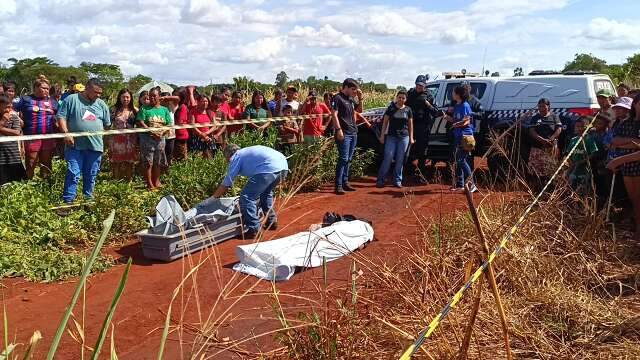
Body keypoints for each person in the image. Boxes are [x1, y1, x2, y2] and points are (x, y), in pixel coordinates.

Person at [211, 144, 289, 239]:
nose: (227, 161)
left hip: (268, 169)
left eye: (226, 158)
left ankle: (254, 229)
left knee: (247, 197)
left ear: (229, 155)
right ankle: (272, 221)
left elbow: (227, 182)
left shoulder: (236, 157)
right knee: (266, 193)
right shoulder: (245, 153)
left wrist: (213, 198)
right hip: (283, 167)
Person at [57, 78, 111, 204]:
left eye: (100, 93)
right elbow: (61, 117)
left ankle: (88, 201)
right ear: (87, 88)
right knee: (73, 173)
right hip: (75, 145)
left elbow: (107, 125)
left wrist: (105, 142)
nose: (98, 95)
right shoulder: (71, 99)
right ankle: (68, 202)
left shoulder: (101, 104)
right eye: (96, 92)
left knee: (91, 174)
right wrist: (66, 133)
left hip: (95, 146)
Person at [606, 94, 640, 240]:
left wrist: (618, 159)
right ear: (635, 104)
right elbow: (615, 141)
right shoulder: (627, 123)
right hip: (627, 165)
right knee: (634, 200)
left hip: (634, 164)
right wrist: (633, 142)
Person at [14, 75, 58, 179]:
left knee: (46, 163)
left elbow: (61, 115)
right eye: (43, 88)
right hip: (31, 137)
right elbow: (11, 109)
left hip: (48, 137)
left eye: (47, 89)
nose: (46, 90)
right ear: (36, 88)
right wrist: (18, 119)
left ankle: (46, 187)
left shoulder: (53, 101)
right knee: (31, 162)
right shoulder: (26, 99)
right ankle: (27, 186)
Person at [376, 90, 414, 188]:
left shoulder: (408, 110)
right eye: (399, 97)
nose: (401, 99)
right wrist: (382, 136)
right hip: (391, 137)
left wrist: (411, 137)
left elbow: (410, 124)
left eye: (403, 98)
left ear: (406, 99)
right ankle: (381, 179)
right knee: (388, 157)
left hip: (404, 137)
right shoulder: (391, 108)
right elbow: (385, 122)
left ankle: (397, 180)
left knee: (400, 159)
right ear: (396, 97)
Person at [406, 75, 441, 182]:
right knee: (408, 149)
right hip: (410, 124)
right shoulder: (410, 93)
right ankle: (408, 171)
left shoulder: (429, 95)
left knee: (422, 151)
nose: (419, 87)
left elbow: (436, 111)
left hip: (423, 126)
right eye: (417, 85)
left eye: (421, 85)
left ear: (425, 86)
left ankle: (421, 174)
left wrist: (427, 104)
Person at [136, 87, 171, 190]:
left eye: (154, 96)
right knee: (148, 162)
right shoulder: (144, 108)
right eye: (150, 96)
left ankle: (157, 181)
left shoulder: (164, 110)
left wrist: (162, 133)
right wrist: (151, 131)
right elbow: (140, 121)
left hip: (160, 140)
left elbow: (169, 124)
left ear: (159, 97)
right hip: (147, 140)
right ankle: (149, 184)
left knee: (158, 162)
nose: (151, 98)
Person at [446, 86, 478, 193]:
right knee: (458, 161)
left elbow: (466, 121)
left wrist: (456, 124)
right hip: (457, 136)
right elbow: (456, 119)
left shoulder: (465, 105)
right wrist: (448, 118)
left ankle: (471, 184)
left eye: (454, 92)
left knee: (461, 160)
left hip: (465, 136)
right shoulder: (457, 105)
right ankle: (460, 185)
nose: (452, 94)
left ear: (458, 94)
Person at [331, 78, 360, 195]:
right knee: (343, 158)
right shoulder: (337, 98)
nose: (354, 92)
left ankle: (345, 182)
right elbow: (334, 114)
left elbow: (359, 110)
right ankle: (338, 185)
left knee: (348, 159)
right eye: (353, 89)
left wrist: (360, 98)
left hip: (353, 132)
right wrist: (338, 130)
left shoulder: (350, 99)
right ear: (346, 87)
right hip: (344, 133)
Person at [526, 98, 563, 185]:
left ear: (548, 106)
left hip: (551, 147)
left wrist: (551, 138)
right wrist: (541, 140)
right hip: (538, 147)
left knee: (550, 168)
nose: (542, 108)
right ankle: (537, 186)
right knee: (536, 170)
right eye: (540, 106)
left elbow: (559, 129)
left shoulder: (554, 117)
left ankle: (550, 187)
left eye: (544, 106)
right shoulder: (535, 118)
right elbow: (532, 131)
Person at [109, 89, 138, 180]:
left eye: (127, 97)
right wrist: (108, 140)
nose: (125, 99)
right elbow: (108, 124)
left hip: (130, 141)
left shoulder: (135, 110)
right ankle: (117, 181)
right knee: (116, 162)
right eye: (123, 97)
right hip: (117, 140)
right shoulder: (114, 110)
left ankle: (129, 181)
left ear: (131, 98)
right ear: (119, 98)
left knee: (130, 162)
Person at [564, 117, 598, 194]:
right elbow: (568, 154)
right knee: (571, 189)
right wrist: (571, 164)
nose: (579, 128)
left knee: (583, 189)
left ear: (587, 127)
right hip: (573, 169)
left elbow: (593, 153)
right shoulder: (573, 140)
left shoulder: (589, 139)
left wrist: (583, 161)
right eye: (577, 126)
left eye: (581, 126)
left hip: (585, 170)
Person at [0, 95, 26, 185]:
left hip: (12, 153)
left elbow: (17, 133)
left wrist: (1, 128)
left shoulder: (13, 117)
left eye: (10, 107)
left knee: (16, 180)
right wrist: (3, 121)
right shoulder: (4, 118)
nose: (9, 109)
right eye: (6, 107)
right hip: (1, 155)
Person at [188, 93, 216, 159]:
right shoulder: (193, 112)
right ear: (198, 102)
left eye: (206, 101)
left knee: (209, 158)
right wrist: (201, 134)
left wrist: (206, 134)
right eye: (203, 101)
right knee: (198, 158)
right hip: (197, 138)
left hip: (209, 138)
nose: (205, 103)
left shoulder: (211, 112)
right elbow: (193, 126)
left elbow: (214, 126)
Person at [161, 91, 179, 167]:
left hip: (171, 136)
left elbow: (177, 98)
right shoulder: (159, 108)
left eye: (168, 99)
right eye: (165, 100)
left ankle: (168, 170)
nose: (167, 101)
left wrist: (166, 97)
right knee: (162, 155)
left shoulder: (172, 107)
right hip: (161, 136)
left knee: (169, 154)